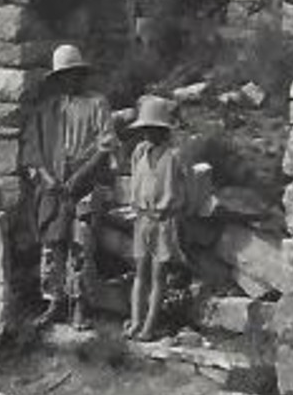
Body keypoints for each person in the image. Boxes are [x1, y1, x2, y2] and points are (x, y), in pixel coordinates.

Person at [20, 44, 117, 330]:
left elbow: (105, 146)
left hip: (85, 181)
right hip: (55, 184)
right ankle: (54, 301)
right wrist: (47, 178)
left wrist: (80, 176)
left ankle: (80, 306)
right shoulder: (49, 109)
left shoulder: (97, 103)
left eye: (74, 74)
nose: (69, 80)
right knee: (53, 243)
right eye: (64, 76)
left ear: (81, 75)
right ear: (58, 79)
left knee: (81, 242)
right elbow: (33, 148)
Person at [122, 94, 186, 342]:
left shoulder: (173, 157)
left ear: (163, 130)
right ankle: (136, 321)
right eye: (145, 129)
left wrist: (172, 210)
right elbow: (136, 182)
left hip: (164, 221)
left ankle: (149, 326)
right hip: (142, 220)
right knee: (140, 272)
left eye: (153, 129)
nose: (148, 135)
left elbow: (184, 191)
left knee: (158, 275)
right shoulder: (139, 153)